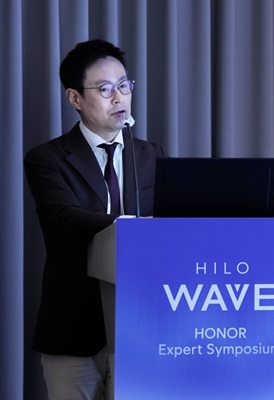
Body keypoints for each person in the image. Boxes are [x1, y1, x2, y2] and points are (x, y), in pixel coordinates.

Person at [24, 39, 165, 399]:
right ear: (74, 98)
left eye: (124, 85)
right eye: (105, 89)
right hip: (73, 327)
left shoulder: (151, 155)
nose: (119, 98)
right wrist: (131, 225)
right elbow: (63, 217)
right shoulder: (48, 158)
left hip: (140, 325)